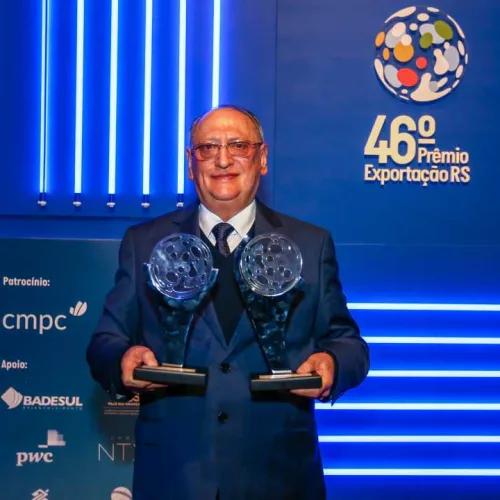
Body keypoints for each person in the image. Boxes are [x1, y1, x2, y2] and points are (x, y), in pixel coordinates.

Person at [87, 105, 369, 500]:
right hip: (174, 477)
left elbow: (349, 344)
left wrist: (333, 364)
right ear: (191, 163)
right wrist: (122, 361)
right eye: (207, 148)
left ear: (262, 157)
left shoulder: (310, 243)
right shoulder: (144, 243)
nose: (223, 159)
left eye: (238, 145)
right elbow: (104, 342)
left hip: (280, 476)